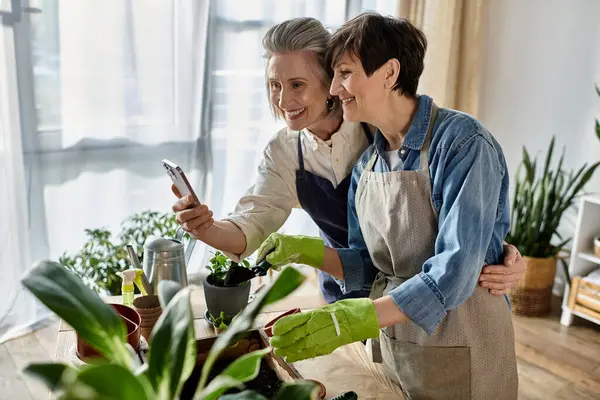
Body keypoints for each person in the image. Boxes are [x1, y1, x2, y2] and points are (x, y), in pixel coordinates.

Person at [172, 17, 525, 305]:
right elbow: (251, 226)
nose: (282, 100)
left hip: (427, 293)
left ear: (330, 82)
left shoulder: (381, 126)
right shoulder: (283, 152)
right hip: (347, 287)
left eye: (297, 84)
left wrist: (495, 250)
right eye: (274, 85)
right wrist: (206, 229)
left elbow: (450, 223)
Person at [259, 13, 518, 399]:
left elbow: (458, 269)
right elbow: (367, 267)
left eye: (344, 73)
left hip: (466, 336)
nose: (333, 88)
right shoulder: (368, 165)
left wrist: (358, 318)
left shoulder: (461, 143)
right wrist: (306, 251)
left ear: (390, 73)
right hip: (400, 344)